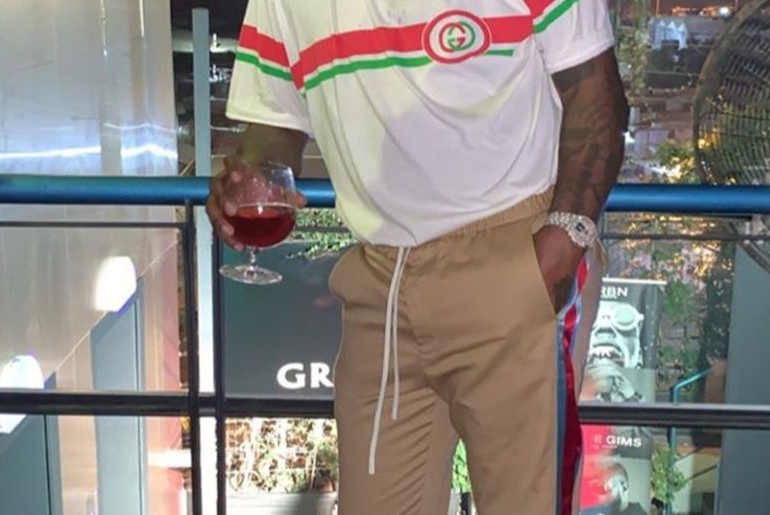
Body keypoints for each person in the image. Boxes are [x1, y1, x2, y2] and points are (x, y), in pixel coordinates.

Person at [208, 0, 628, 513]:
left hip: (513, 252)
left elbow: (596, 95)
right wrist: (251, 174)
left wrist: (560, 247)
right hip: (379, 283)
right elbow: (275, 122)